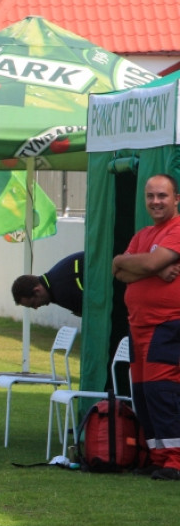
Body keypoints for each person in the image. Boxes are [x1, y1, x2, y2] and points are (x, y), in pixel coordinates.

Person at [112, 174, 180, 480]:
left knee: (160, 389)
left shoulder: (177, 229)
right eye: (150, 196)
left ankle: (175, 461)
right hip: (138, 325)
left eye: (162, 196)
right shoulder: (144, 234)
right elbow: (118, 270)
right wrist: (144, 265)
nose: (156, 201)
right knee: (141, 392)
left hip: (166, 324)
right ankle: (157, 455)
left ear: (176, 198)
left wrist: (148, 265)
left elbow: (147, 265)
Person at [12, 252, 84, 316]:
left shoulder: (60, 291)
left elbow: (92, 312)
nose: (36, 308)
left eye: (33, 304)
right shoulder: (53, 278)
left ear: (37, 291)